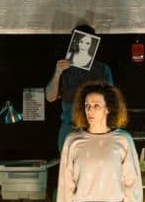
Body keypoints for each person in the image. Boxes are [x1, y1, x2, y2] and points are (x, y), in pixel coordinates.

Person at [45, 24, 113, 152]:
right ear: (74, 43)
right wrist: (57, 73)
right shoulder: (64, 68)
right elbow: (50, 97)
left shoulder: (102, 69)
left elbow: (111, 101)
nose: (83, 46)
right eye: (80, 41)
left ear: (93, 45)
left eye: (87, 42)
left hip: (95, 129)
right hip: (70, 128)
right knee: (69, 168)